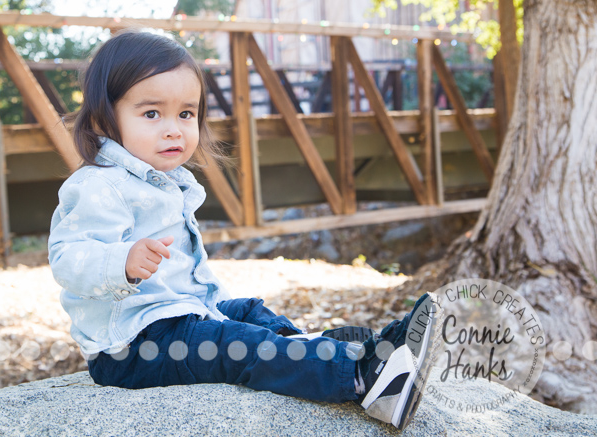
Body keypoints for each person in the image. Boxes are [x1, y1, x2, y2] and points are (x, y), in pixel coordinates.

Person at [48, 29, 441, 431]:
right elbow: (67, 257)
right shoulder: (99, 184)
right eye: (152, 114)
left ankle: (338, 351)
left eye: (186, 114)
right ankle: (362, 378)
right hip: (132, 349)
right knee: (235, 346)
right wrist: (122, 261)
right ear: (102, 118)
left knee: (247, 312)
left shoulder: (161, 180)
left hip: (183, 317)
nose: (174, 129)